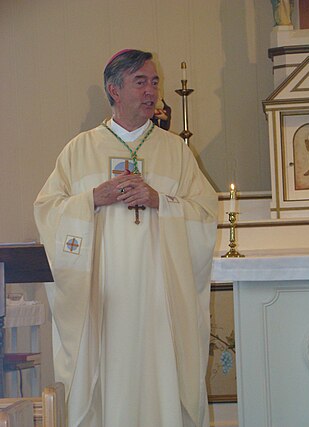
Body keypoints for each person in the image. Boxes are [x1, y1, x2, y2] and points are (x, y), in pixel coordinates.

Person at [34, 49, 218, 427]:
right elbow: (47, 212)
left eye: (155, 82)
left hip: (159, 302)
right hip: (104, 299)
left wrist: (160, 203)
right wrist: (90, 201)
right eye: (141, 82)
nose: (152, 91)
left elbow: (204, 215)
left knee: (160, 382)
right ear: (114, 90)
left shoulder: (176, 153)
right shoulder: (79, 151)